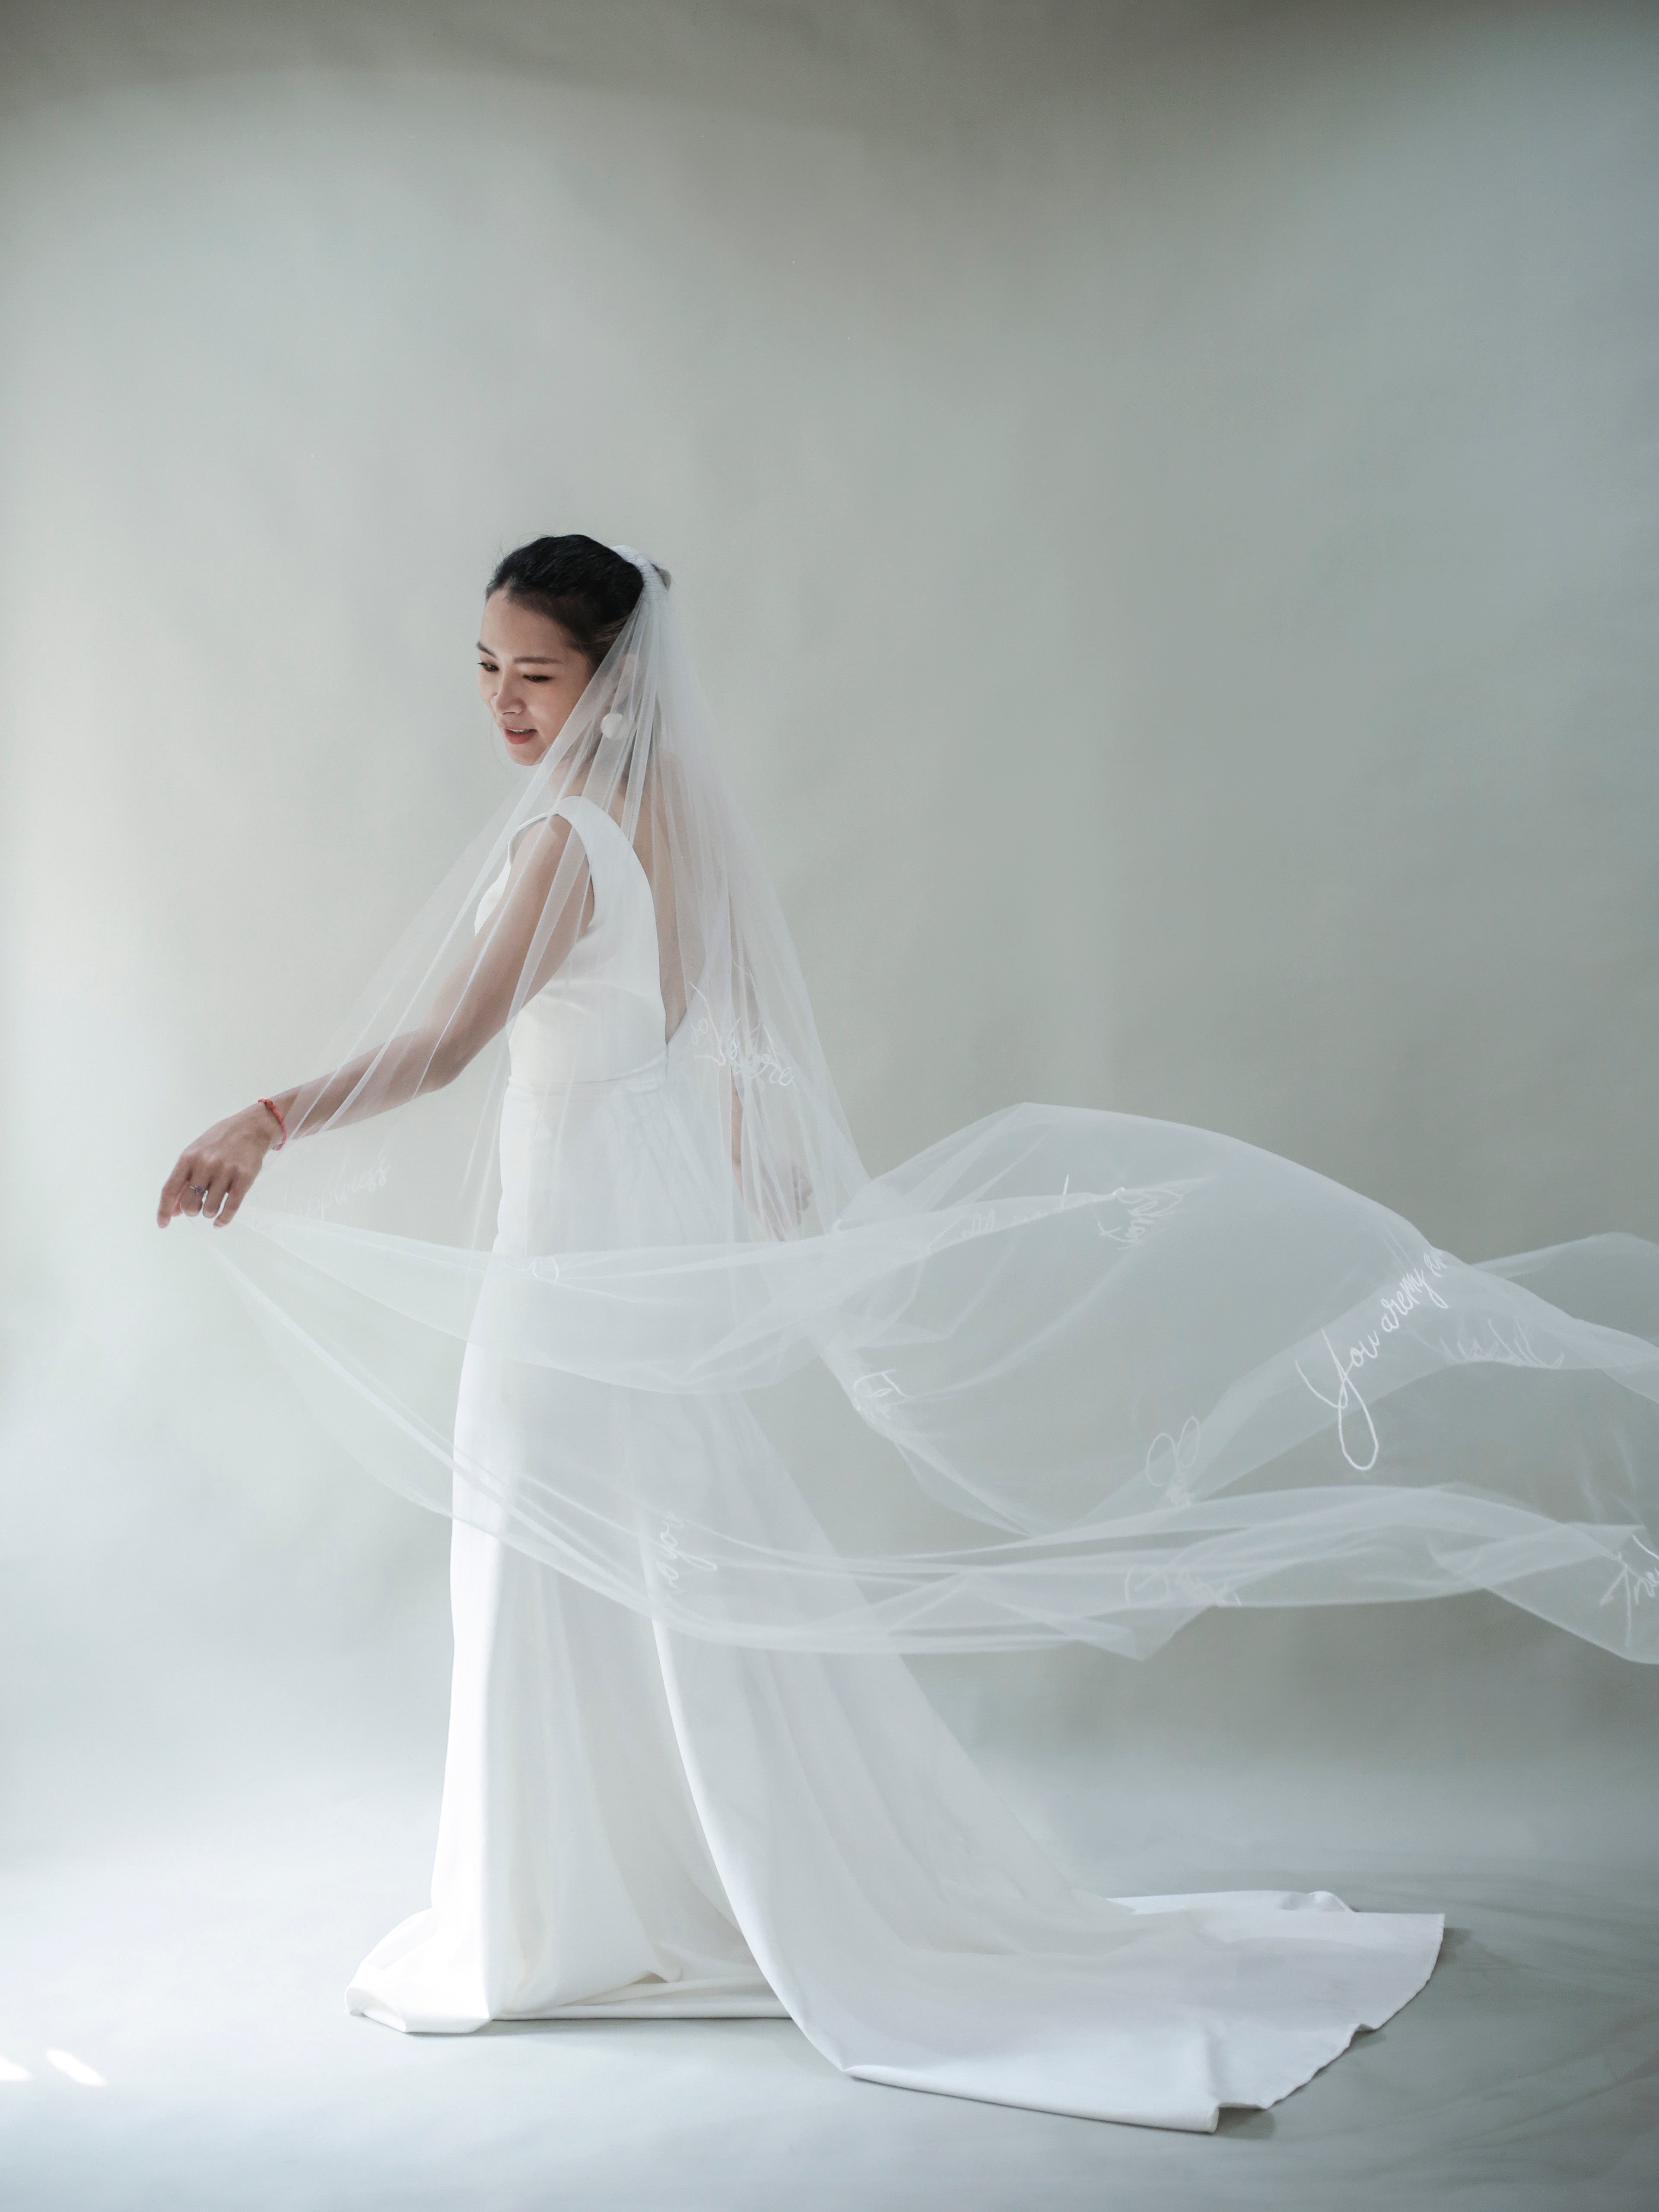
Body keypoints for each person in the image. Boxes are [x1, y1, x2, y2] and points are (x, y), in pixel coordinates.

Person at [157, 537, 1659, 2131]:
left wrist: (268, 1118)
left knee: (567, 1552)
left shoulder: (566, 843)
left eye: (537, 674)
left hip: (574, 1275)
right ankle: (614, 1896)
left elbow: (453, 1048)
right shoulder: (672, 831)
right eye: (484, 669)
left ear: (612, 680)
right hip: (608, 1263)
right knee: (620, 1561)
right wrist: (787, 1221)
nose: (504, 704)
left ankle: (563, 1915)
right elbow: (717, 1056)